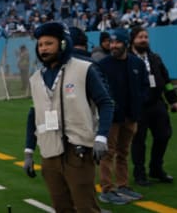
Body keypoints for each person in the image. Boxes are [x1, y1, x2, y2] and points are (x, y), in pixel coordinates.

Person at [23, 22, 113, 213]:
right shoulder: (35, 78)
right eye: (40, 45)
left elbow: (105, 103)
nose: (43, 49)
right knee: (61, 207)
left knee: (85, 207)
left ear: (63, 44)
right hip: (49, 153)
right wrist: (29, 150)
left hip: (78, 151)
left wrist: (101, 136)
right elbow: (34, 115)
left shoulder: (84, 69)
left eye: (49, 43)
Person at [96, 28, 149, 205]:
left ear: (126, 43)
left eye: (117, 42)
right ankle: (107, 189)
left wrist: (139, 103)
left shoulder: (137, 64)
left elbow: (144, 87)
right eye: (111, 43)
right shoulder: (103, 65)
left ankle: (123, 186)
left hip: (131, 116)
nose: (113, 46)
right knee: (107, 153)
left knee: (123, 153)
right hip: (111, 118)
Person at [129, 26, 177, 186]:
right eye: (140, 37)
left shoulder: (155, 58)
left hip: (157, 104)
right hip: (138, 107)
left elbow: (167, 81)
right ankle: (139, 174)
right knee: (139, 141)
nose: (144, 40)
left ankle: (156, 169)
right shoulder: (127, 60)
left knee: (164, 136)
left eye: (146, 37)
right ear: (133, 40)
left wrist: (173, 100)